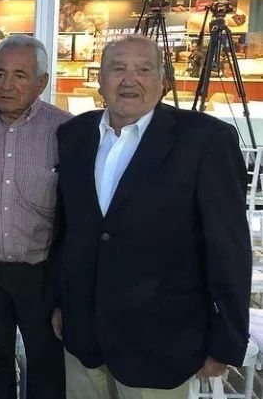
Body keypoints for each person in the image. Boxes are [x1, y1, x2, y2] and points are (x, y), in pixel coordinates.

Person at [51, 34, 251, 399]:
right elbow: (68, 230)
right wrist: (61, 302)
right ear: (100, 79)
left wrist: (226, 340)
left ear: (163, 80)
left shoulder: (205, 141)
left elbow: (229, 248)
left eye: (143, 69)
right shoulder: (74, 135)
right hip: (84, 338)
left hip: (160, 343)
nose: (129, 79)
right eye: (117, 68)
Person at [0, 34, 69, 399]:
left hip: (42, 271)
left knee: (47, 365)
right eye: (0, 74)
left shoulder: (66, 131)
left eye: (20, 75)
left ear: (42, 82)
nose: (6, 85)